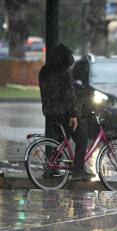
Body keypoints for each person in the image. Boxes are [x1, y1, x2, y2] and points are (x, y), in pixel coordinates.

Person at [39, 43, 91, 180]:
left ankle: (51, 169)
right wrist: (73, 114)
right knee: (82, 136)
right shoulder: (64, 71)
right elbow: (69, 95)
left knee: (64, 140)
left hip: (50, 113)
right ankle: (78, 171)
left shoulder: (44, 71)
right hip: (64, 112)